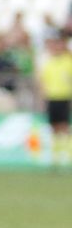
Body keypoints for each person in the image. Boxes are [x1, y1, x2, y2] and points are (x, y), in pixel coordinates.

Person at [35, 29, 72, 168]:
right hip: (52, 97)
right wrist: (42, 98)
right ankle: (56, 156)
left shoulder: (68, 61)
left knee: (64, 125)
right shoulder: (48, 63)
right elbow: (43, 82)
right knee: (54, 126)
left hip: (65, 96)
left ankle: (68, 154)